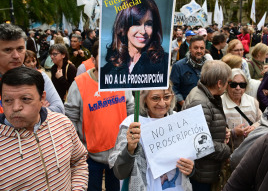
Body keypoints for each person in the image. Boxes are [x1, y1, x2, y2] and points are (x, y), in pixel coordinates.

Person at [0, 67, 88, 190]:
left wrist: (78, 188)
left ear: (42, 98)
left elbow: (78, 161)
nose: (15, 107)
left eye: (25, 99)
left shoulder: (62, 123)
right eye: (8, 100)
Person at [65, 42, 134, 190]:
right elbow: (70, 120)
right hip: (90, 157)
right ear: (93, 60)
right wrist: (80, 149)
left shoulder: (122, 79)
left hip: (118, 154)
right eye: (102, 57)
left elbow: (131, 110)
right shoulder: (79, 83)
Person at [109, 84, 193, 191]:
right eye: (155, 98)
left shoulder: (179, 121)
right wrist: (130, 149)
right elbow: (120, 172)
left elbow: (190, 160)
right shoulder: (131, 125)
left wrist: (190, 168)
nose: (162, 103)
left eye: (167, 97)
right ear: (144, 99)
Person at [101, 0, 169, 88]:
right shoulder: (108, 70)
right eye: (136, 23)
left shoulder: (165, 62)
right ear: (123, 26)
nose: (143, 31)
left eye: (149, 24)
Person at [182, 60, 231, 190]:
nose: (227, 86)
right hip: (201, 173)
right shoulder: (201, 102)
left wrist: (223, 130)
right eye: (227, 82)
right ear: (219, 83)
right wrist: (225, 150)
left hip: (205, 170)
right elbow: (199, 143)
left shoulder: (206, 95)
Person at [0, 23, 64, 114]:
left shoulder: (39, 76)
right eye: (8, 50)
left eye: (20, 49)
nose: (16, 56)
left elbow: (59, 109)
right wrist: (38, 110)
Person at [222, 68, 261, 150]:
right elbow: (215, 132)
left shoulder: (252, 101)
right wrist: (233, 132)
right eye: (233, 84)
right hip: (230, 152)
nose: (238, 88)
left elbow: (262, 120)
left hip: (252, 150)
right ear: (226, 85)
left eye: (242, 85)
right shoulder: (220, 103)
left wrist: (254, 127)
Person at [170, 36, 207, 111]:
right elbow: (174, 89)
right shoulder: (178, 66)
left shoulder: (209, 66)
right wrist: (185, 105)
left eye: (202, 48)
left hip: (205, 108)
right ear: (190, 49)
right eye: (196, 48)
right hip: (185, 109)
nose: (199, 51)